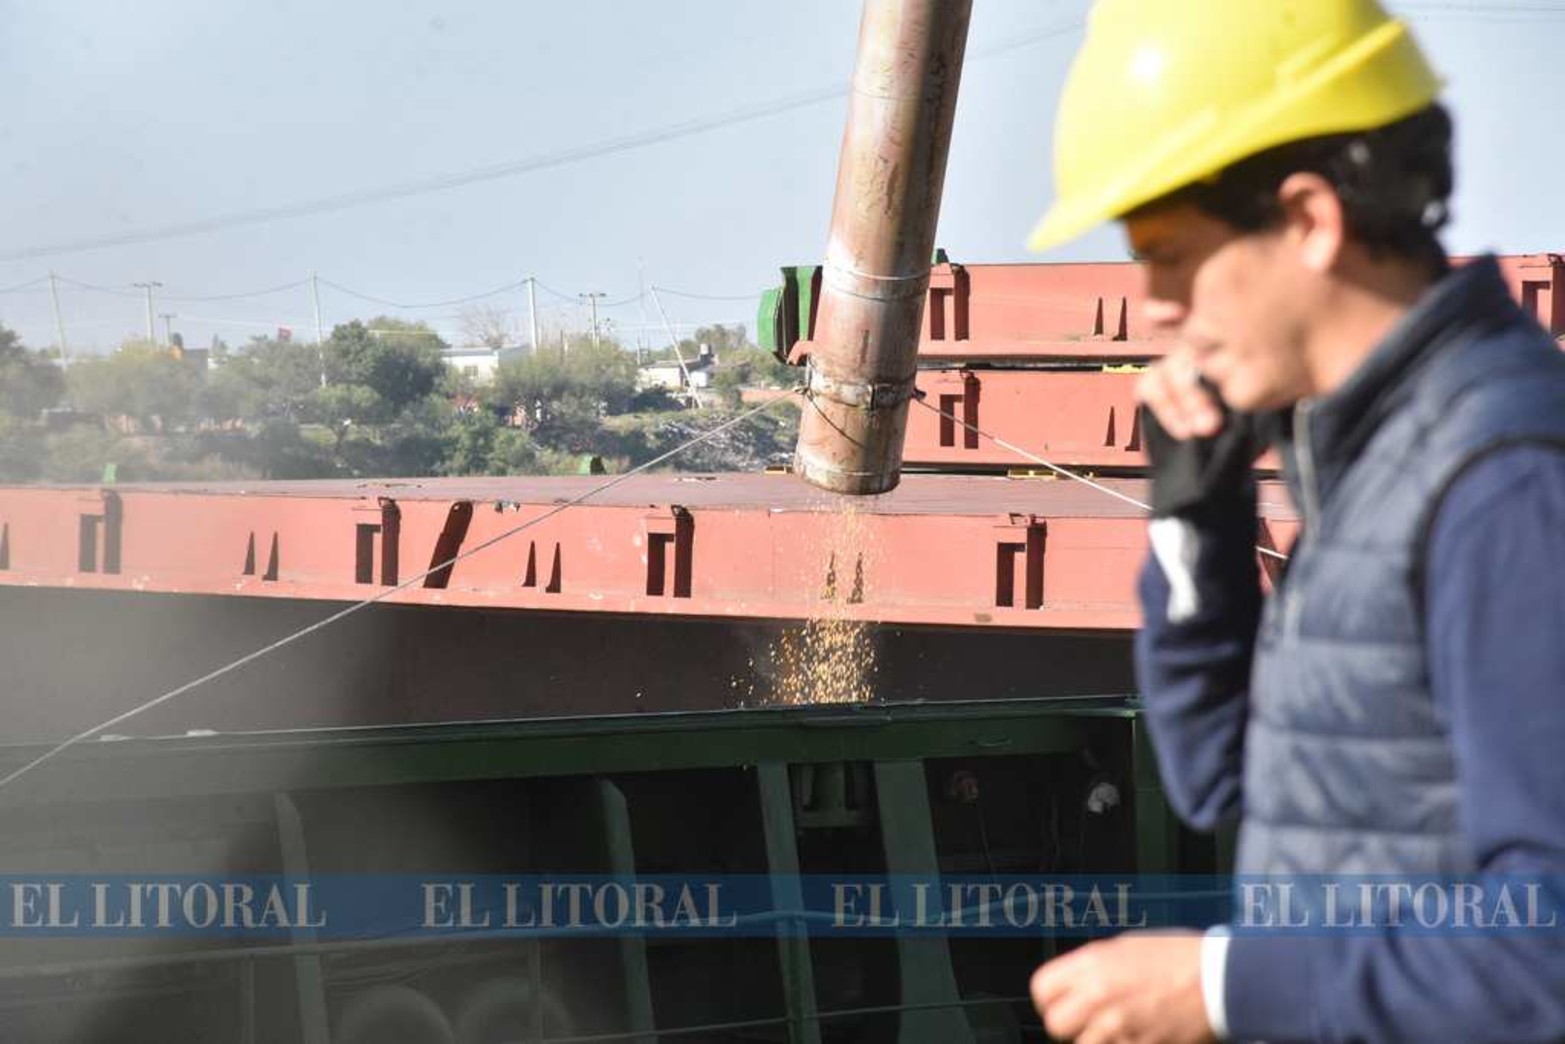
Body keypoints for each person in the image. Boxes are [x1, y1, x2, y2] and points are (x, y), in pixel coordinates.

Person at [1020, 2, 1565, 1041]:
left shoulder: (1501, 483)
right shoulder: (1375, 464)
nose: (1155, 306)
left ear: (1310, 219)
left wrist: (1222, 989)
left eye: (1170, 253)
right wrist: (1194, 521)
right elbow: (1217, 776)